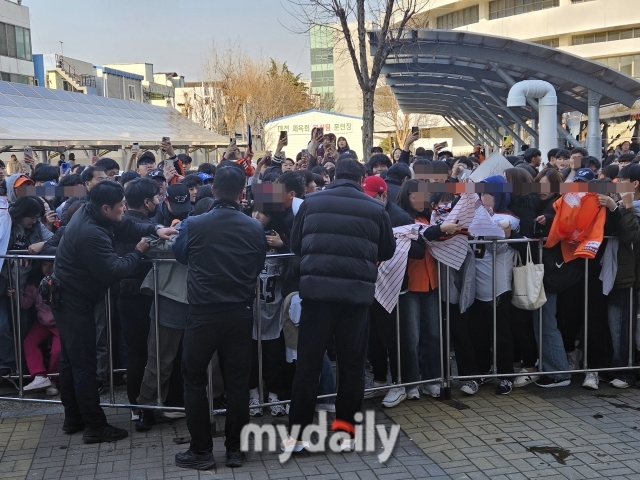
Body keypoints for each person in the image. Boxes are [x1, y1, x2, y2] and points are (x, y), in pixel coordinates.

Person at [284, 158, 396, 452]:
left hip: (317, 296)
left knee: (308, 367)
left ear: (334, 176)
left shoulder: (311, 202)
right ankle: (346, 434)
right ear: (362, 179)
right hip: (355, 298)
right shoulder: (375, 208)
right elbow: (387, 249)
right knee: (351, 368)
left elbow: (296, 244)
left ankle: (296, 437)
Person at [51, 181, 175, 444]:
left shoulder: (92, 212)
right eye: (120, 206)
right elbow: (114, 270)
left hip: (72, 296)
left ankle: (74, 417)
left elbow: (125, 224)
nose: (124, 210)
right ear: (105, 207)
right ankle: (94, 426)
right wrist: (137, 252)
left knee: (72, 361)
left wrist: (155, 228)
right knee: (83, 365)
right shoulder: (90, 232)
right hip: (73, 300)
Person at [172, 165, 267, 470]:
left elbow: (180, 254)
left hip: (203, 312)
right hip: (239, 311)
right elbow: (258, 262)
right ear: (242, 193)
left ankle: (201, 451)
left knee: (194, 380)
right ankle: (235, 450)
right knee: (238, 383)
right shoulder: (254, 228)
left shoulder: (195, 223)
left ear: (213, 190)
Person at [11, 260, 59, 395]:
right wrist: (17, 296)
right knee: (29, 342)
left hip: (60, 322)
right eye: (45, 264)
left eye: (51, 264)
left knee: (58, 350)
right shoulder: (34, 283)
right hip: (42, 322)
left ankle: (52, 379)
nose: (48, 268)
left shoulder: (62, 280)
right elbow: (27, 303)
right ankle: (39, 375)